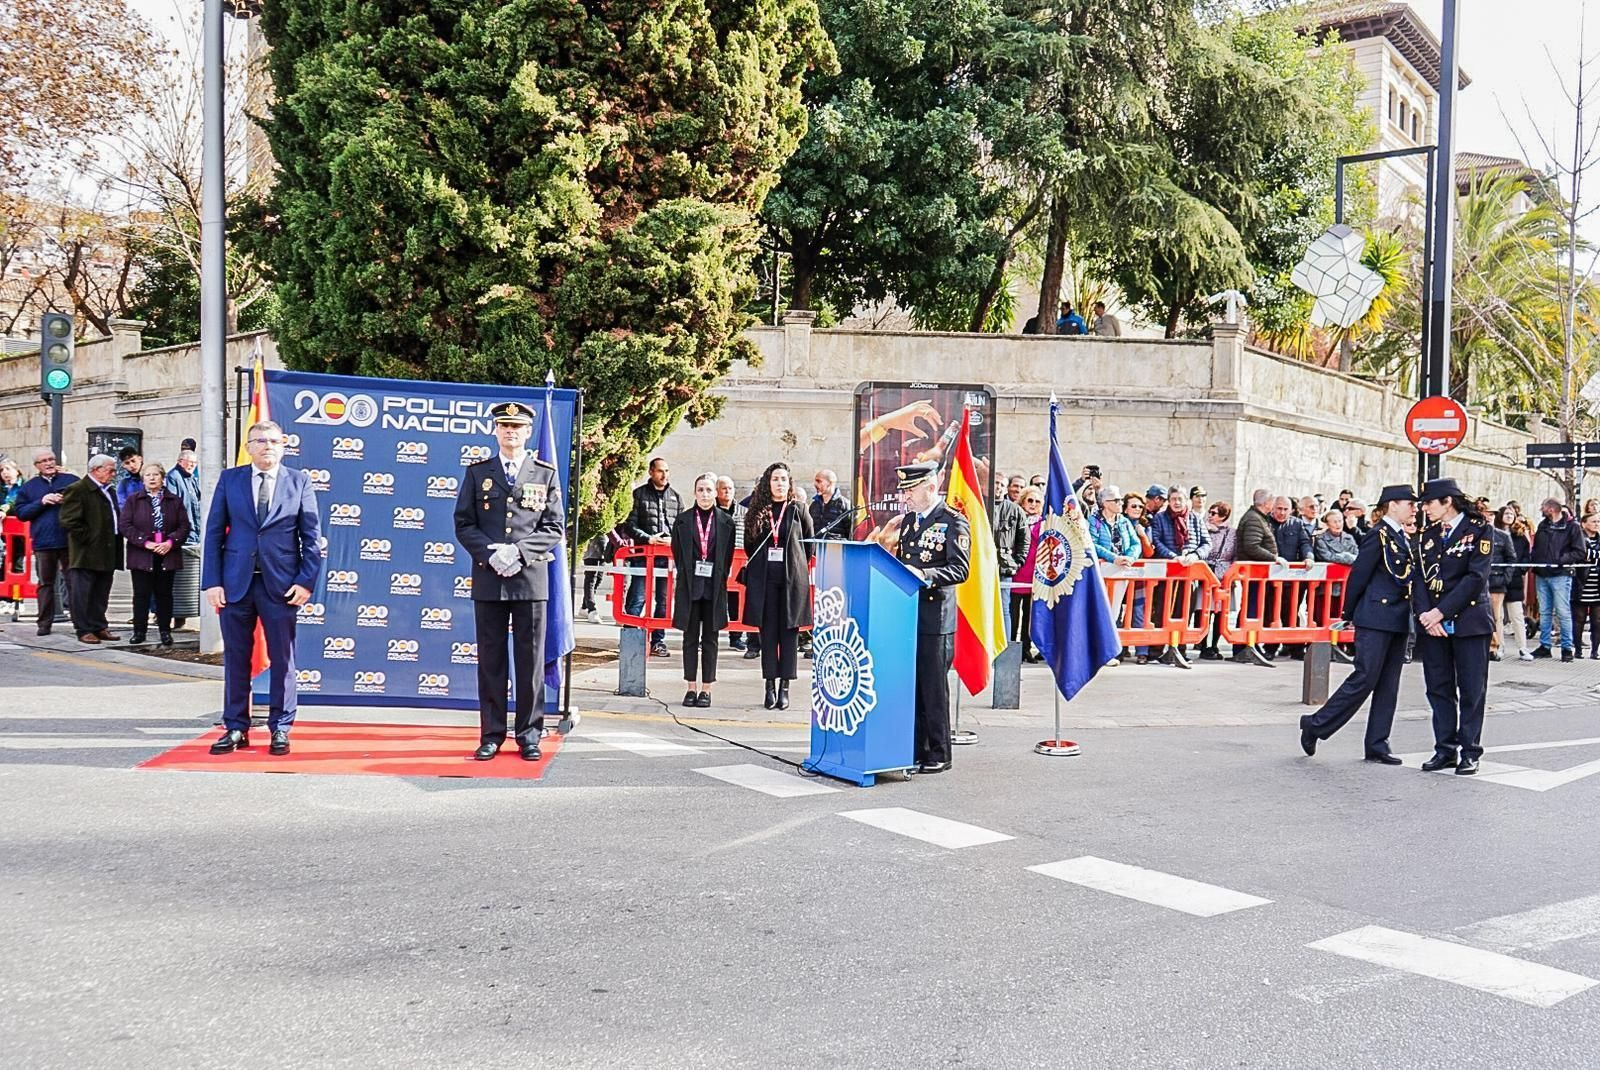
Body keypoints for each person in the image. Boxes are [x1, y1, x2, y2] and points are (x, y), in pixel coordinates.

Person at [202, 420, 323, 757]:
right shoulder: (231, 480)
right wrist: (212, 581)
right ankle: (236, 728)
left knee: (283, 660)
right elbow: (213, 533)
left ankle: (281, 729)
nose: (267, 446)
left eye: (273, 441)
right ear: (249, 446)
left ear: (283, 445)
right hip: (235, 584)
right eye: (260, 441)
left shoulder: (299, 482)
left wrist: (305, 582)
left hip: (281, 586)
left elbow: (312, 539)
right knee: (236, 659)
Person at [453, 402, 565, 761]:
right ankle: (491, 734)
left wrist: (518, 552)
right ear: (495, 431)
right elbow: (463, 523)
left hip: (530, 579)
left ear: (528, 432)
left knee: (530, 661)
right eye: (504, 426)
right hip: (489, 578)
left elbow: (554, 527)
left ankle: (530, 734)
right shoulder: (477, 473)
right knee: (491, 661)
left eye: (517, 427)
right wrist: (490, 553)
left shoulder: (544, 473)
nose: (510, 432)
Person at [1299, 485, 1418, 765]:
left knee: (1389, 685)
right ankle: (1316, 724)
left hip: (1398, 617)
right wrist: (1349, 612)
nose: (1413, 508)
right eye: (1408, 504)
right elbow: (1359, 575)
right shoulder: (1378, 535)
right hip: (1376, 615)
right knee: (1365, 678)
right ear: (1391, 506)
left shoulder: (1400, 535)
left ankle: (1378, 743)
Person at [892, 461, 971, 773]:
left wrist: (924, 573)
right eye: (904, 491)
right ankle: (915, 749)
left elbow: (960, 568)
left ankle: (938, 753)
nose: (905, 497)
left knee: (933, 689)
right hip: (908, 616)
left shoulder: (953, 521)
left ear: (930, 486)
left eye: (910, 490)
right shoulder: (910, 521)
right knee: (912, 686)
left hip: (934, 618)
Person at [1412, 478, 1493, 776]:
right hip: (1433, 625)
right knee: (1439, 688)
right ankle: (1444, 748)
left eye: (1429, 503)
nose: (1424, 508)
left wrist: (1440, 611)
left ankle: (1470, 750)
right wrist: (1425, 615)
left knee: (1471, 688)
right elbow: (1419, 577)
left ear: (1448, 502)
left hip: (1469, 622)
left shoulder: (1479, 529)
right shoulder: (1426, 535)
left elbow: (1475, 578)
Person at [742, 462, 814, 710]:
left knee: (789, 637)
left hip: (791, 583)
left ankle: (785, 687)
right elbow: (749, 545)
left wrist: (793, 564)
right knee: (768, 637)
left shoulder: (798, 509)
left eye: (784, 479)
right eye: (775, 479)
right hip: (765, 582)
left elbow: (808, 546)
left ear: (790, 483)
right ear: (768, 483)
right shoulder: (757, 510)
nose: (780, 483)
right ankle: (769, 686)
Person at [671, 473, 736, 707]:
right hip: (690, 586)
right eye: (701, 490)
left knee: (711, 638)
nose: (705, 494)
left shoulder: (726, 522)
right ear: (694, 492)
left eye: (709, 490)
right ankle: (690, 687)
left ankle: (706, 688)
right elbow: (677, 553)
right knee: (689, 638)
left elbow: (727, 556)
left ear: (716, 493)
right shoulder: (683, 520)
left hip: (713, 588)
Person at [119, 461, 191, 646]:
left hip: (167, 554)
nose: (152, 478)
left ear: (162, 478)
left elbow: (184, 526)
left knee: (164, 594)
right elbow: (125, 526)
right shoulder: (134, 500)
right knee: (141, 594)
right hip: (142, 555)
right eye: (148, 475)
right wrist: (146, 543)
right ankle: (139, 631)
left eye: (155, 475)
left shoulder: (174, 500)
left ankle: (165, 631)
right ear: (143, 479)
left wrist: (170, 542)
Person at [58, 455, 124, 645]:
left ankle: (98, 625)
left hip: (107, 550)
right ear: (96, 470)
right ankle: (84, 629)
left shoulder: (108, 491)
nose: (113, 474)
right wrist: (88, 538)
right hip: (87, 552)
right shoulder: (79, 489)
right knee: (83, 592)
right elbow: (69, 520)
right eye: (110, 470)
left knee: (101, 591)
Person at [12, 448, 76, 634]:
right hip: (44, 542)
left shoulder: (70, 480)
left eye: (51, 459)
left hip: (69, 540)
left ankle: (81, 623)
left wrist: (68, 500)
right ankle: (44, 624)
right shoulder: (30, 487)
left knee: (75, 582)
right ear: (37, 466)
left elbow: (84, 500)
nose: (49, 463)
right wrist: (42, 501)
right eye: (44, 461)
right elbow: (21, 513)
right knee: (45, 584)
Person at [1149, 484, 1211, 666]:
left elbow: (1206, 544)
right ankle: (1157, 650)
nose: (1177, 503)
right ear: (1169, 501)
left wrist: (1194, 555)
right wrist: (1173, 556)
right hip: (1167, 573)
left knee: (1185, 612)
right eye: (1173, 499)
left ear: (1186, 501)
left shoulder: (1195, 519)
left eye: (1180, 499)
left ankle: (1180, 649)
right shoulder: (1160, 518)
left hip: (1189, 573)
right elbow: (1157, 541)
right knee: (1162, 611)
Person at [626, 457, 681, 658]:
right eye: (660, 471)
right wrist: (648, 539)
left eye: (666, 470)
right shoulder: (639, 495)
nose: (664, 475)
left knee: (664, 601)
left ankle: (658, 641)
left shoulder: (675, 497)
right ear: (651, 472)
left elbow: (681, 526)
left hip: (667, 559)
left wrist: (673, 540)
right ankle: (630, 639)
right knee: (638, 597)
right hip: (643, 557)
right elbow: (629, 525)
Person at [1092, 487, 1149, 664]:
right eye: (1115, 500)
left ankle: (1107, 652)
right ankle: (1097, 651)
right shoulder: (1094, 521)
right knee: (1100, 610)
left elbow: (1135, 543)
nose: (1119, 503)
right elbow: (1091, 543)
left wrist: (1130, 557)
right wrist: (1113, 557)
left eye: (1119, 500)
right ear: (1104, 503)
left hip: (1121, 570)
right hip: (1102, 571)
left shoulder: (1123, 521)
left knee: (1114, 612)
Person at [1530, 497, 1587, 660]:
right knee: (1545, 611)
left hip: (1561, 574)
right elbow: (1537, 547)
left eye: (1543, 506)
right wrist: (1535, 560)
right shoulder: (1543, 525)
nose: (1541, 509)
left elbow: (1579, 552)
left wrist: (1560, 560)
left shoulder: (1572, 527)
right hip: (1542, 573)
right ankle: (1545, 645)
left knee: (1563, 611)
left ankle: (1567, 648)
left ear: (1551, 509)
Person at [1231, 489, 1279, 664]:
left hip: (1258, 573)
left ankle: (1249, 643)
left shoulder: (1258, 517)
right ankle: (1244, 645)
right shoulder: (1253, 519)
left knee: (1254, 607)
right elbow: (1252, 546)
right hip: (1253, 572)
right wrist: (1273, 557)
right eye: (1272, 502)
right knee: (1250, 608)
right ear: (1266, 503)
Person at [714, 476, 751, 653]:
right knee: (712, 600)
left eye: (730, 488)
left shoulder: (744, 512)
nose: (727, 491)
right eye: (724, 488)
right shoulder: (710, 511)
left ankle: (736, 637)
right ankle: (707, 635)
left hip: (737, 563)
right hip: (715, 563)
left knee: (736, 602)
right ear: (717, 491)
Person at [1492, 505, 1533, 661]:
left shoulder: (1520, 535)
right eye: (1506, 513)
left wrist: (1520, 570)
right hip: (1496, 581)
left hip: (1514, 580)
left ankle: (1522, 648)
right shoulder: (1493, 534)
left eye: (1512, 513)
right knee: (1498, 616)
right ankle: (1499, 646)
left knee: (1517, 615)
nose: (1509, 516)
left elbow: (1525, 557)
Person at [1198, 501, 1235, 659]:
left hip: (1224, 576)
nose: (1210, 516)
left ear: (1223, 516)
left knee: (1220, 613)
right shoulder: (1203, 529)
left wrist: (1232, 574)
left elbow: (1234, 553)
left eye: (1214, 513)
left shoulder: (1232, 533)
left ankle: (1214, 645)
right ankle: (1203, 645)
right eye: (1210, 512)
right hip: (1206, 575)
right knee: (1203, 611)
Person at [993, 479, 1028, 638]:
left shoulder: (1015, 510)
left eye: (1001, 484)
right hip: (982, 566)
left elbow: (1024, 539)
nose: (998, 487)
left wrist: (1018, 561)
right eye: (995, 483)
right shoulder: (980, 506)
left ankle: (1004, 650)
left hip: (1004, 566)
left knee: (1004, 608)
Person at [1012, 486, 1044, 662]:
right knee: (1013, 615)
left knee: (1029, 617)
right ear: (1023, 501)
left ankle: (1026, 648)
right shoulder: (1015, 518)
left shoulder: (1045, 523)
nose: (1033, 504)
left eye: (1037, 501)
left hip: (1035, 575)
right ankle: (1011, 649)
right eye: (1029, 500)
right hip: (1017, 573)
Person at [1573, 513, 1600, 659]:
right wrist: (1591, 554)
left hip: (1597, 587)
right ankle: (1578, 650)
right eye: (1593, 521)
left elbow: (1588, 555)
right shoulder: (1578, 539)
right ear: (1584, 524)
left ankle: (1595, 650)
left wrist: (1591, 554)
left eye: (1598, 521)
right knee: (1579, 619)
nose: (1597, 524)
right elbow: (1580, 554)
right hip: (1580, 584)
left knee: (1597, 621)